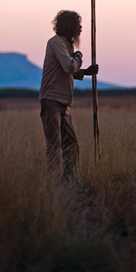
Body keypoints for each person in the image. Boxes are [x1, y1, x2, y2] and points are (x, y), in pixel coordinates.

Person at [39, 10, 99, 178]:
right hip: (52, 99)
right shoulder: (56, 42)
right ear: (66, 26)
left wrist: (85, 72)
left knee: (71, 144)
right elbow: (69, 67)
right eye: (76, 25)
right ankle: (53, 181)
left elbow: (67, 70)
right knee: (54, 143)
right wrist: (79, 56)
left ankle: (69, 179)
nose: (80, 28)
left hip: (64, 102)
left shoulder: (67, 43)